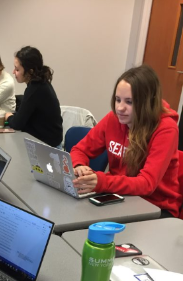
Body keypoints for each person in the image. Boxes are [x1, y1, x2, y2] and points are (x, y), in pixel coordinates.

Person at [71, 64, 181, 218]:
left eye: (129, 102)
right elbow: (79, 150)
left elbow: (146, 184)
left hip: (155, 206)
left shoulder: (166, 129)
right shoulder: (113, 119)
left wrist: (102, 182)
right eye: (118, 99)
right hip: (120, 196)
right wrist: (79, 166)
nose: (120, 108)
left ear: (148, 102)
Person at [0, 46, 63, 147]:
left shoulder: (35, 89)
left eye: (17, 69)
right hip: (47, 143)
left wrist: (7, 116)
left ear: (30, 71)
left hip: (49, 149)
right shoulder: (41, 84)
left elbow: (17, 123)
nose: (13, 72)